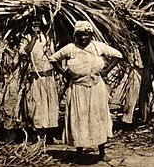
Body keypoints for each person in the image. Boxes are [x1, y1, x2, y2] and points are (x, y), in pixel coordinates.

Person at [49, 20, 123, 162]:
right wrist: (64, 73)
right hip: (78, 90)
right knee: (79, 119)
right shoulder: (71, 48)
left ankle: (102, 152)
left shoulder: (98, 47)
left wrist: (106, 70)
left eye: (86, 35)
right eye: (80, 35)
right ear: (75, 36)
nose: (83, 38)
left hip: (96, 89)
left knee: (99, 118)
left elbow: (118, 55)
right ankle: (79, 152)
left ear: (91, 35)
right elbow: (53, 59)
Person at [23, 17, 59, 141]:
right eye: (33, 23)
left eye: (38, 23)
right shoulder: (26, 38)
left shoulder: (47, 37)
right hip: (36, 78)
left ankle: (49, 134)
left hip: (48, 77)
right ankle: (37, 133)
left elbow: (53, 56)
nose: (36, 25)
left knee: (49, 105)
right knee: (36, 104)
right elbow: (25, 51)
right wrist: (33, 37)